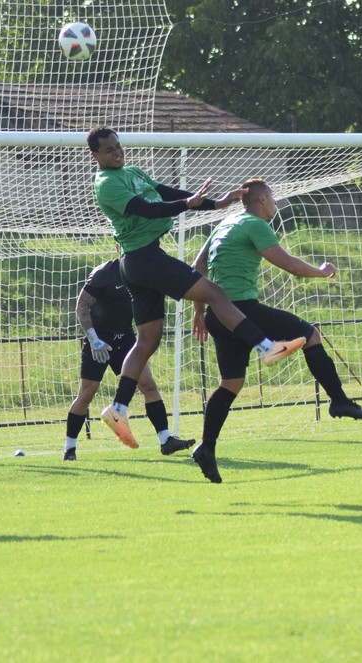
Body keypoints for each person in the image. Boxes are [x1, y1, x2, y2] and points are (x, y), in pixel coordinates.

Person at [87, 126, 306, 449]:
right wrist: (188, 205)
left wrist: (214, 204)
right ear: (95, 155)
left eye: (118, 146)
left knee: (148, 339)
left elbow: (164, 192)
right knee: (216, 293)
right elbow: (146, 209)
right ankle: (264, 347)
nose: (117, 153)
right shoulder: (106, 184)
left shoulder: (130, 170)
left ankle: (118, 409)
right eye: (109, 150)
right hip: (145, 260)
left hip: (139, 262)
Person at [191, 178, 362, 483]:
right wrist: (321, 271)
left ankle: (207, 448)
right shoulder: (254, 224)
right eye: (273, 199)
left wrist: (198, 311)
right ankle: (339, 400)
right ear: (262, 200)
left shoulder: (225, 223)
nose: (275, 205)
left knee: (230, 384)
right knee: (309, 334)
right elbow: (287, 263)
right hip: (242, 310)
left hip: (216, 314)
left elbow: (197, 267)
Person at [63, 256, 195, 461]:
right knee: (87, 393)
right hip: (99, 340)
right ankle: (69, 449)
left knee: (149, 386)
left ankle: (166, 440)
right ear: (118, 247)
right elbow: (82, 307)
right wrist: (93, 339)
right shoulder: (103, 273)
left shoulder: (141, 272)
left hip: (125, 339)